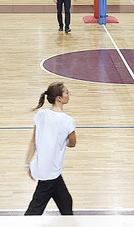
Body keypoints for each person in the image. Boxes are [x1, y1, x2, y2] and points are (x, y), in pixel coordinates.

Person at [24, 82, 76, 216]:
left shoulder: (41, 115)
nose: (69, 95)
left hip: (46, 168)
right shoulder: (68, 120)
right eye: (66, 92)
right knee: (35, 210)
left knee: (65, 201)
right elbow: (72, 143)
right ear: (59, 98)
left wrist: (27, 163)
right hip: (51, 171)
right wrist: (62, 141)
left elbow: (33, 141)